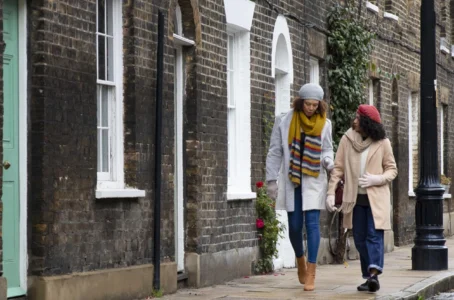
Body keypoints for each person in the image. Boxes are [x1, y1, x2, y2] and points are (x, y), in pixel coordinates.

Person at [266, 83, 334, 291]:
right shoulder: (284, 121)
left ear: (320, 105)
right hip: (292, 179)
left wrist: (329, 162)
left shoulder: (325, 124)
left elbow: (327, 149)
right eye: (307, 104)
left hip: (313, 180)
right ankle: (300, 259)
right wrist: (271, 180)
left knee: (312, 224)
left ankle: (311, 272)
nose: (311, 108)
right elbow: (275, 151)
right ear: (300, 102)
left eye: (315, 105)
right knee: (295, 226)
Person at [326, 104, 397, 293]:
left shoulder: (383, 142)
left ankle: (374, 275)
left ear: (367, 122)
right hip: (354, 199)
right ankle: (369, 276)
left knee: (374, 236)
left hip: (376, 200)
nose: (354, 121)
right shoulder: (347, 140)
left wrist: (377, 178)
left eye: (358, 118)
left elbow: (392, 169)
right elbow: (338, 168)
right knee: (359, 239)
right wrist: (331, 193)